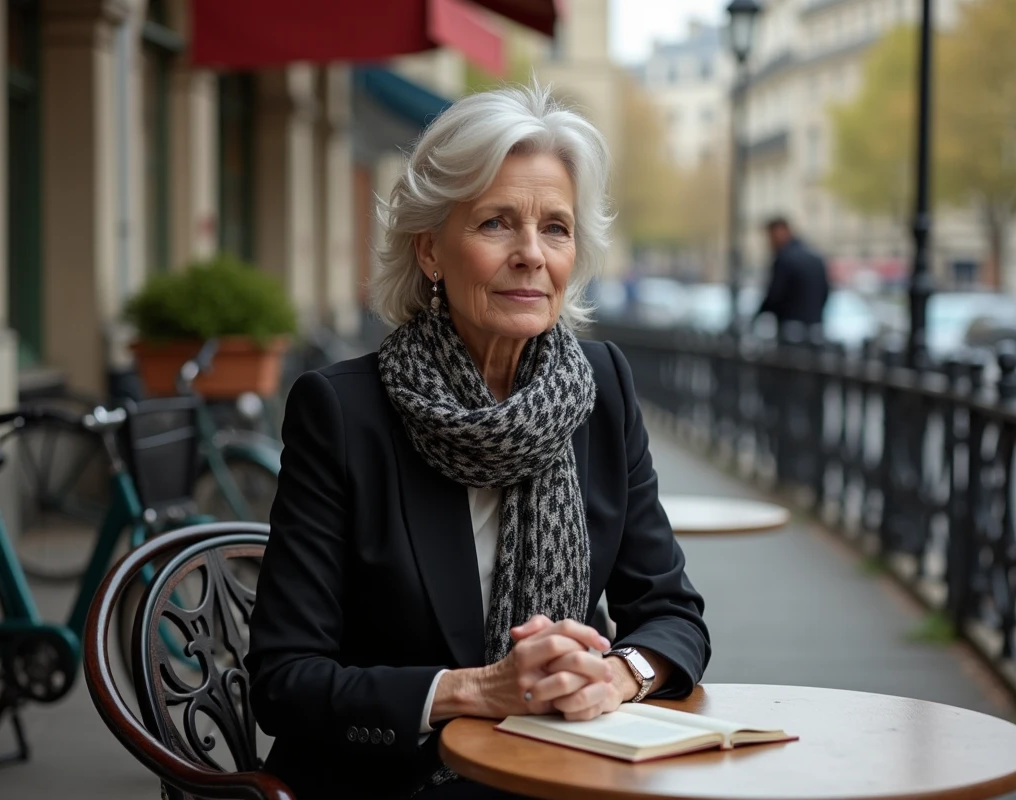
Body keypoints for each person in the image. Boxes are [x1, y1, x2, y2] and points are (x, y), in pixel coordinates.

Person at [245, 83, 711, 800]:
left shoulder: (601, 387)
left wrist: (620, 674)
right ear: (430, 250)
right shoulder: (343, 412)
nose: (531, 254)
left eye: (555, 228)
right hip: (396, 783)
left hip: (566, 768)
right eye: (497, 223)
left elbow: (671, 612)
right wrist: (478, 690)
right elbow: (285, 680)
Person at [755, 216, 830, 335]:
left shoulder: (784, 259)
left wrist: (757, 315)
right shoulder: (815, 257)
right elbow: (825, 291)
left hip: (790, 329)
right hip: (815, 326)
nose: (770, 242)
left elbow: (775, 295)